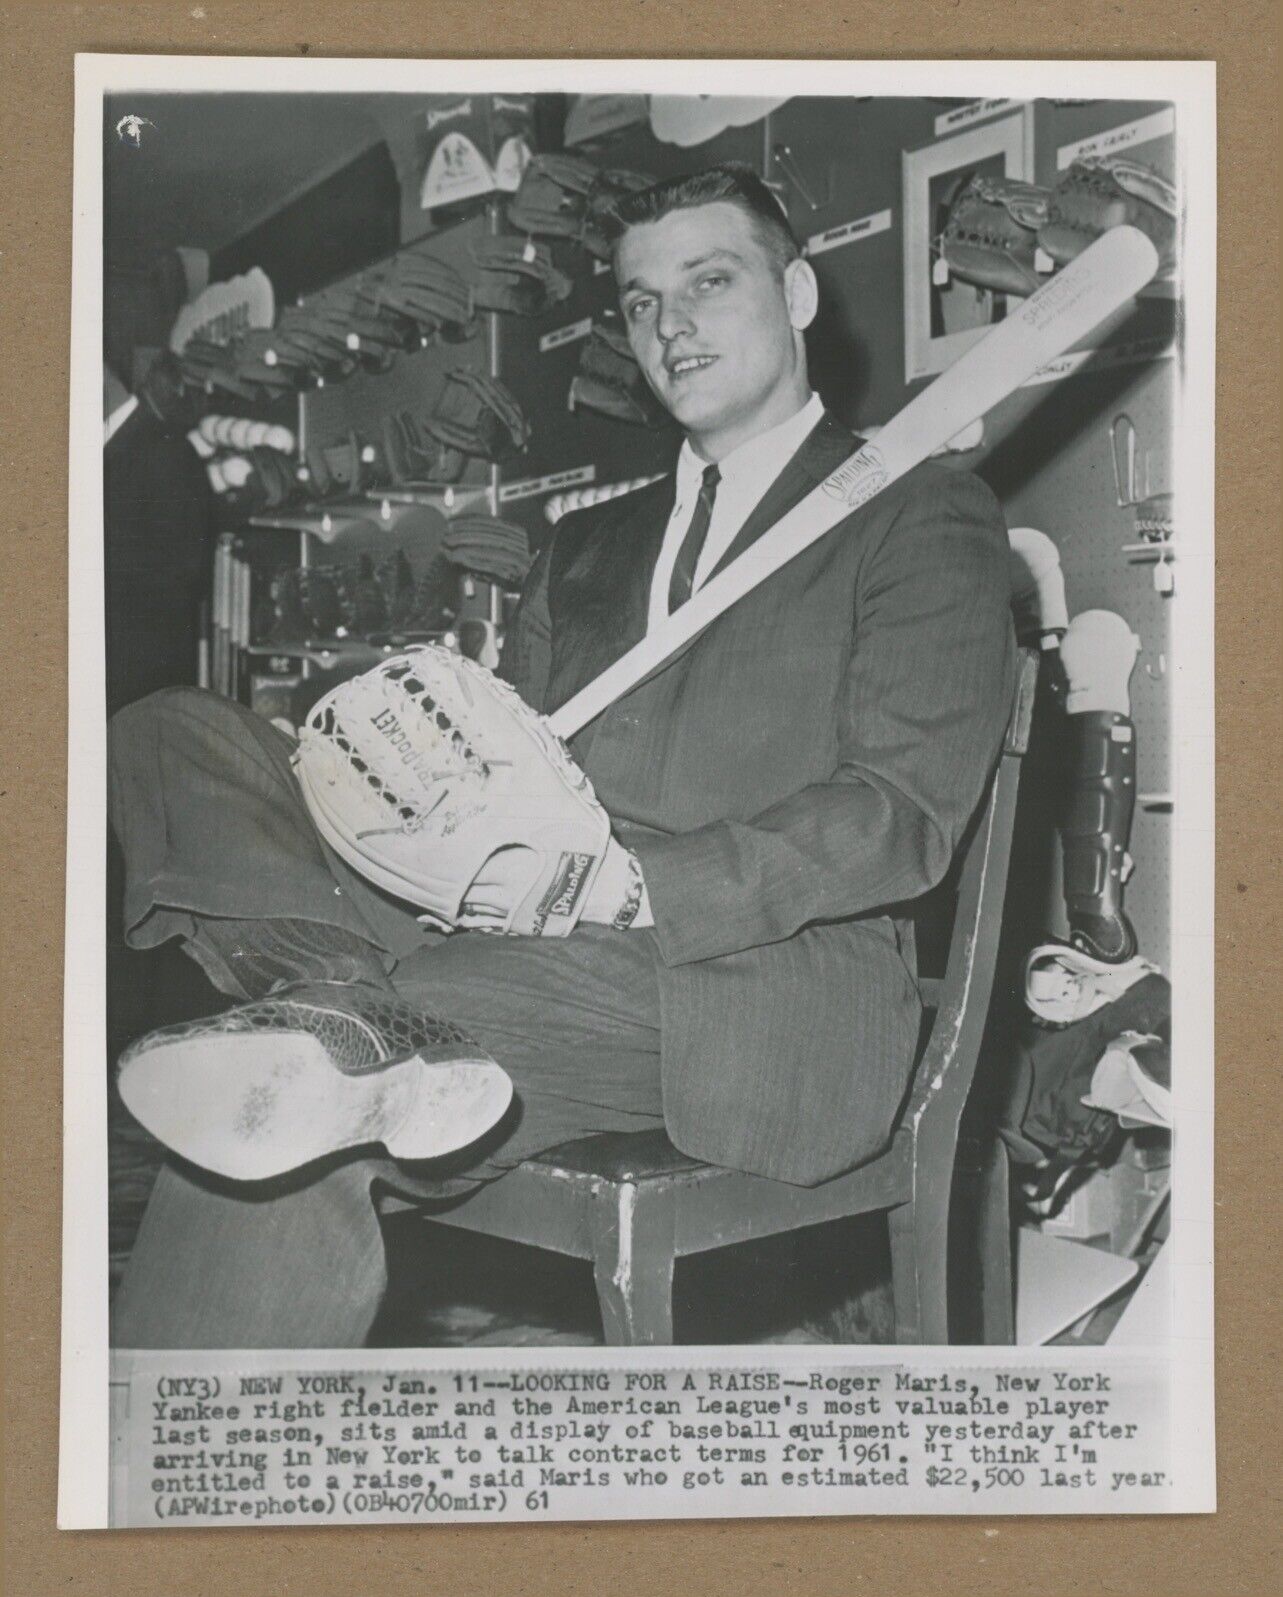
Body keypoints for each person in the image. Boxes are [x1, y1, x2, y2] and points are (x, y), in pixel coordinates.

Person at [107, 163, 1016, 1347]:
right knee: (171, 731)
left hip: (720, 987)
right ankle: (339, 995)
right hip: (499, 933)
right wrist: (383, 801)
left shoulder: (916, 512)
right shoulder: (587, 543)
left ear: (796, 293)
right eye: (641, 301)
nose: (671, 322)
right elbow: (508, 767)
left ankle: (181, 1473)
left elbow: (899, 813)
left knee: (292, 1111)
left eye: (708, 280)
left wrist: (634, 885)